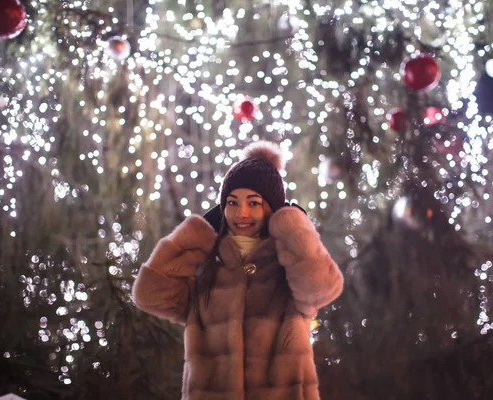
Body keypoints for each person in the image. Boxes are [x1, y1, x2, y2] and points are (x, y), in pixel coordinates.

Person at [132, 141, 344, 400]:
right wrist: (200, 231)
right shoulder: (209, 271)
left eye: (254, 203)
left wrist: (294, 226)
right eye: (232, 203)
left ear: (273, 210)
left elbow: (321, 289)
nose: (241, 213)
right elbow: (149, 294)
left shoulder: (288, 266)